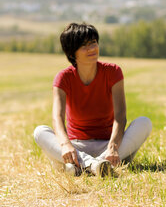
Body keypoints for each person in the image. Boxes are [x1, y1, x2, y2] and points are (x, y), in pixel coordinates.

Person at [33, 23, 152, 177]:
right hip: (76, 145)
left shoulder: (113, 72)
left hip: (108, 144)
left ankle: (81, 167)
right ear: (72, 52)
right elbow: (57, 118)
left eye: (93, 43)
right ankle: (95, 166)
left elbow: (120, 115)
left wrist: (113, 147)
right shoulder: (63, 78)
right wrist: (65, 144)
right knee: (40, 132)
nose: (91, 49)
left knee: (144, 122)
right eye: (84, 46)